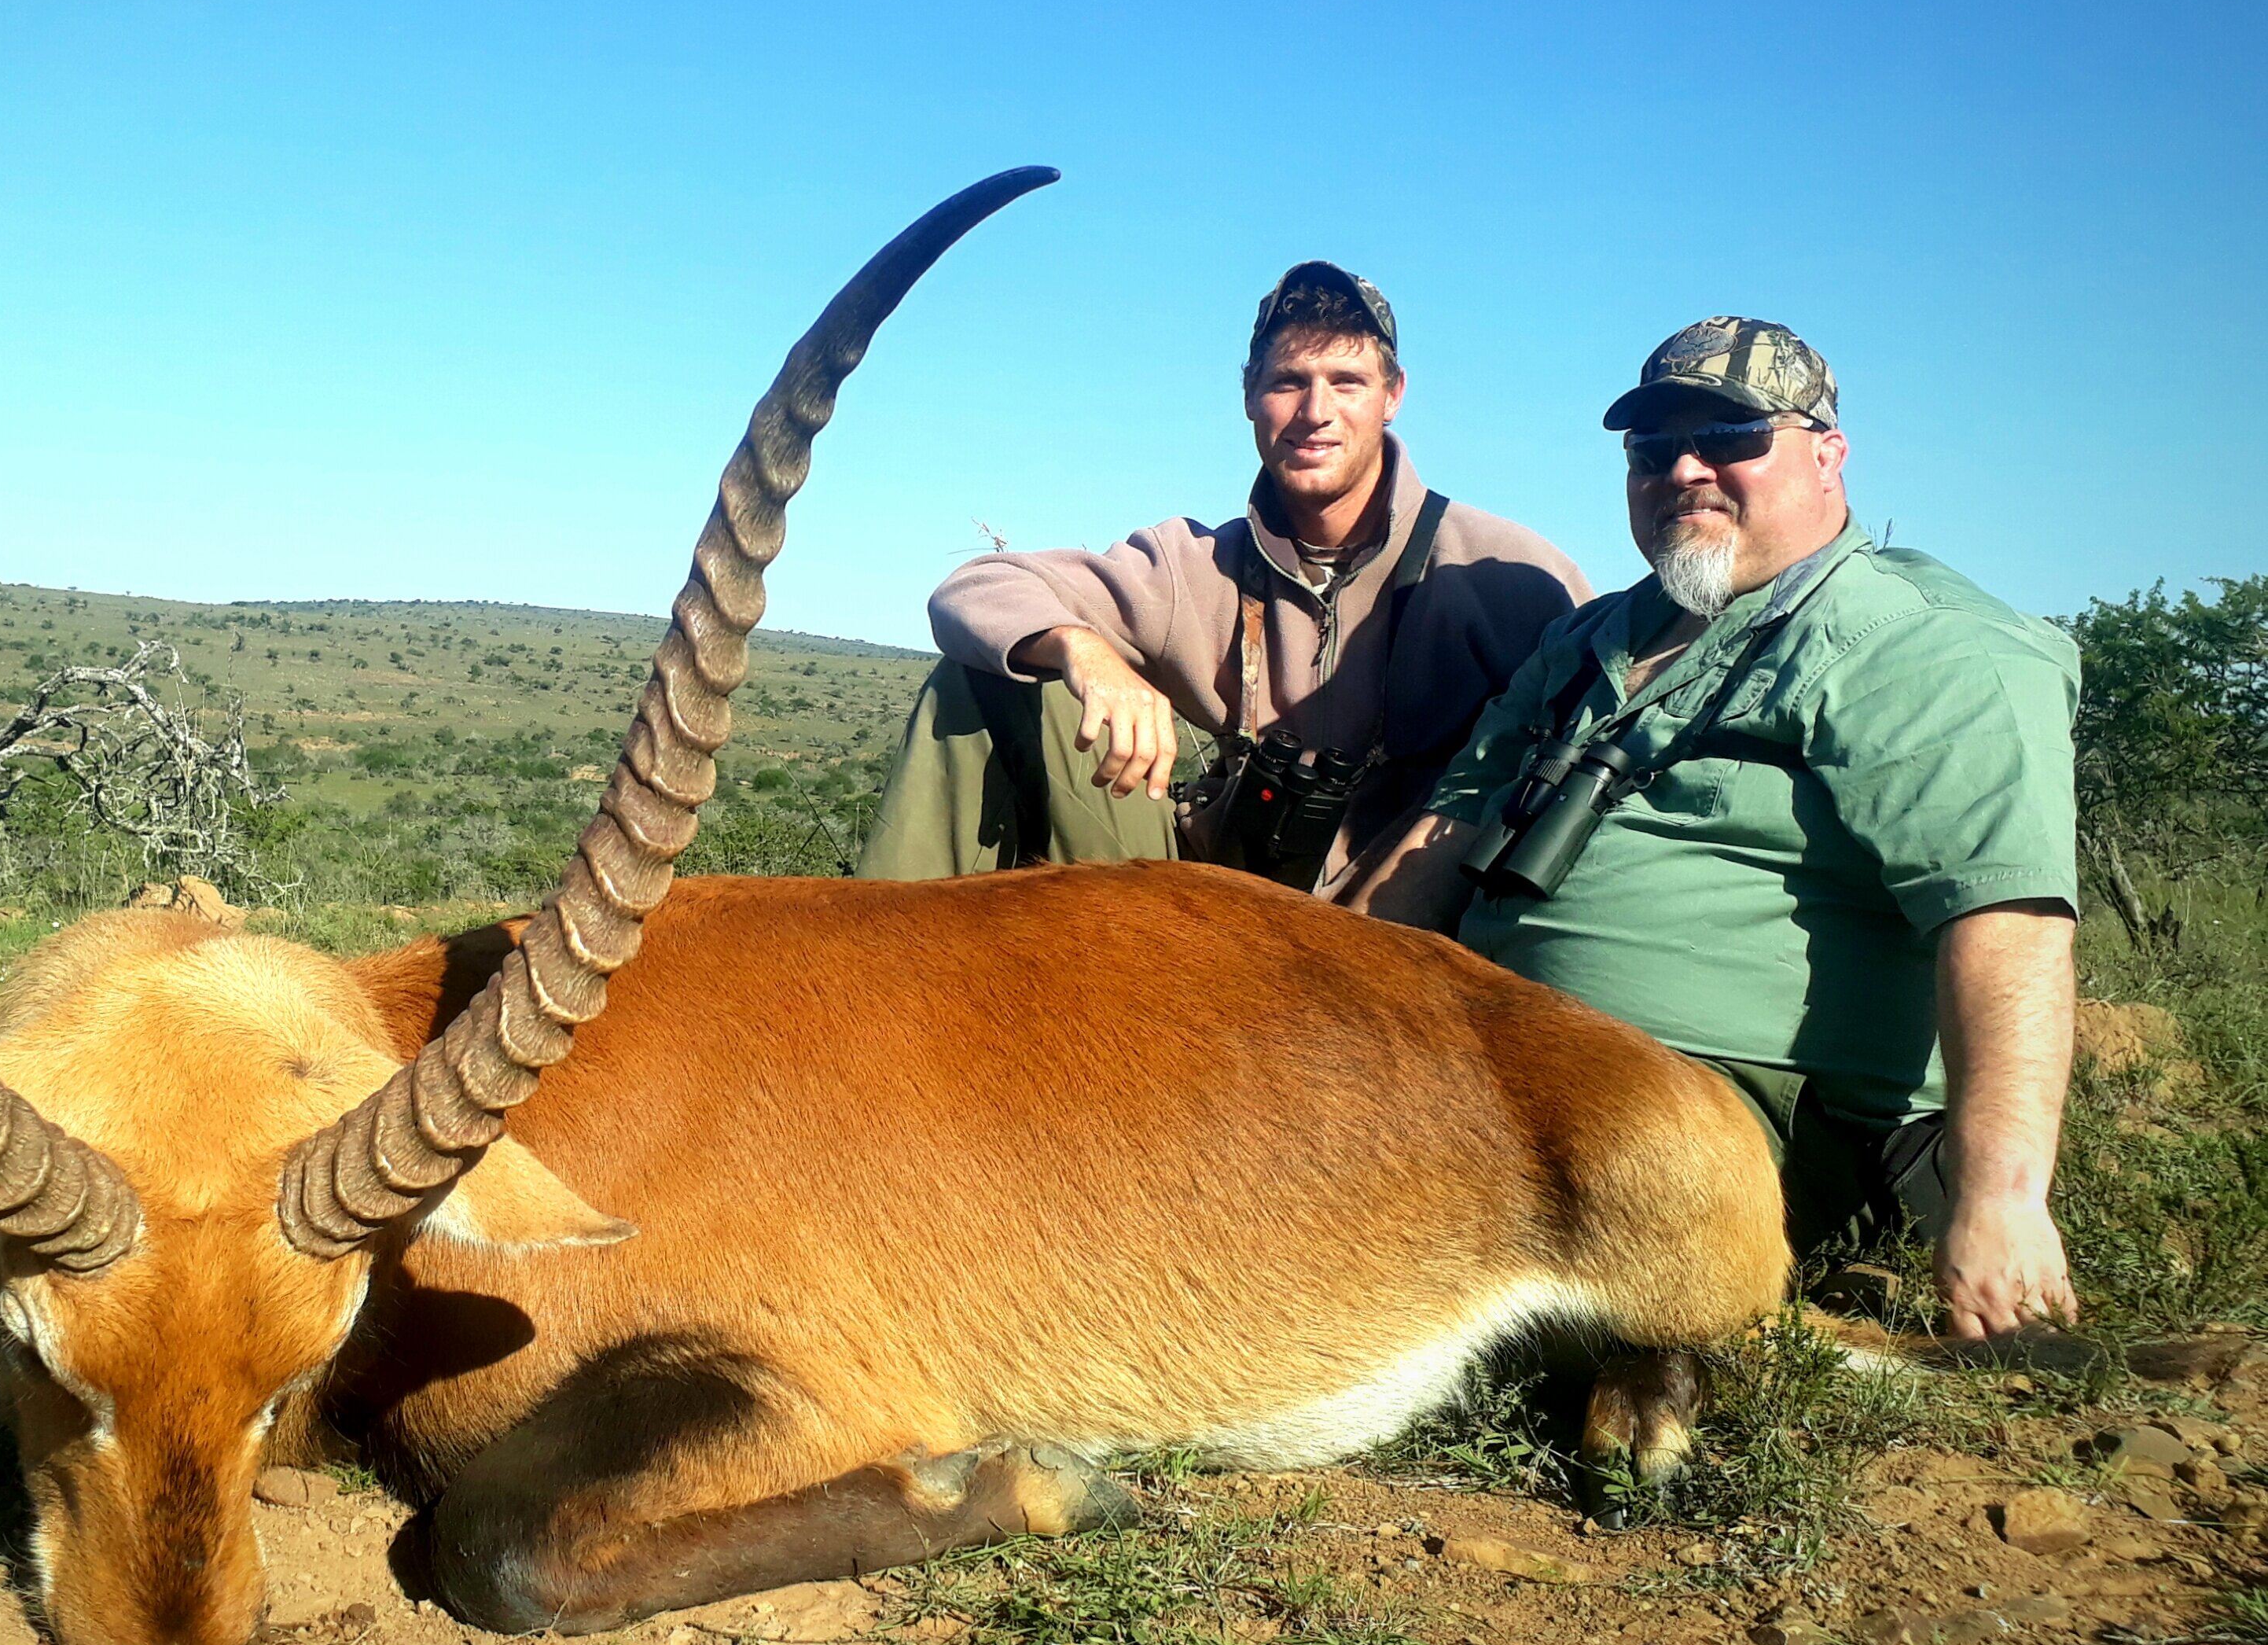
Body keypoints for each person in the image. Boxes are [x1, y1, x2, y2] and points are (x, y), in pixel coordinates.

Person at [1349, 318, 2081, 1340]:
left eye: (1732, 439)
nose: (1682, 470)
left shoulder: (1922, 645)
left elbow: (2005, 921)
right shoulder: (1590, 636)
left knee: (1366, 1259)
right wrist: (1304, 1001)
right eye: (1650, 450)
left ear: (1827, 453)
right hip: (1505, 1059)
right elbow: (1444, 832)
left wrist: (2001, 1202)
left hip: (1724, 1119)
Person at [858, 262, 1588, 889]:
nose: (1315, 412)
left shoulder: (1507, 573)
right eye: (1287, 382)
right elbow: (973, 590)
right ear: (1248, 395)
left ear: (1394, 394)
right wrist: (1088, 653)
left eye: (1347, 381)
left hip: (1406, 923)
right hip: (1215, 907)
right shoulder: (1196, 565)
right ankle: (875, 999)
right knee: (986, 677)